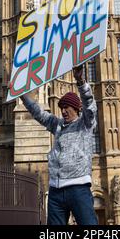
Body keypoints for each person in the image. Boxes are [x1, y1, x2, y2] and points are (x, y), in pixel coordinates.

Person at [20, 65, 98, 226]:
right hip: (56, 189)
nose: (63, 111)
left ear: (76, 108)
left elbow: (90, 104)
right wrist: (22, 96)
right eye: (61, 108)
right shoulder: (58, 125)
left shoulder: (85, 124)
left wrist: (81, 81)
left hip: (78, 187)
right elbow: (38, 113)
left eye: (66, 108)